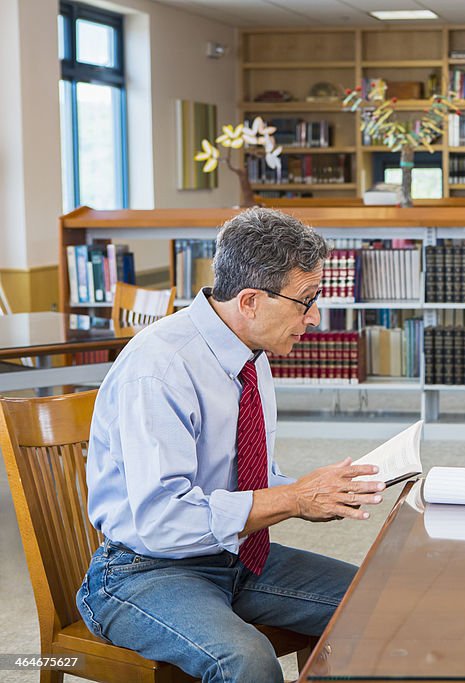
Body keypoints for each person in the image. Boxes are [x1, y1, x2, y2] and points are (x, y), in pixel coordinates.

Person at [77, 208, 386, 683]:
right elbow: (163, 520)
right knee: (246, 660)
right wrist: (293, 499)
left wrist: (313, 489)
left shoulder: (248, 351)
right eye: (306, 300)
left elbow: (245, 479)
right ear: (250, 301)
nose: (315, 316)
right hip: (142, 572)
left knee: (378, 605)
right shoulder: (160, 367)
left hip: (234, 555)